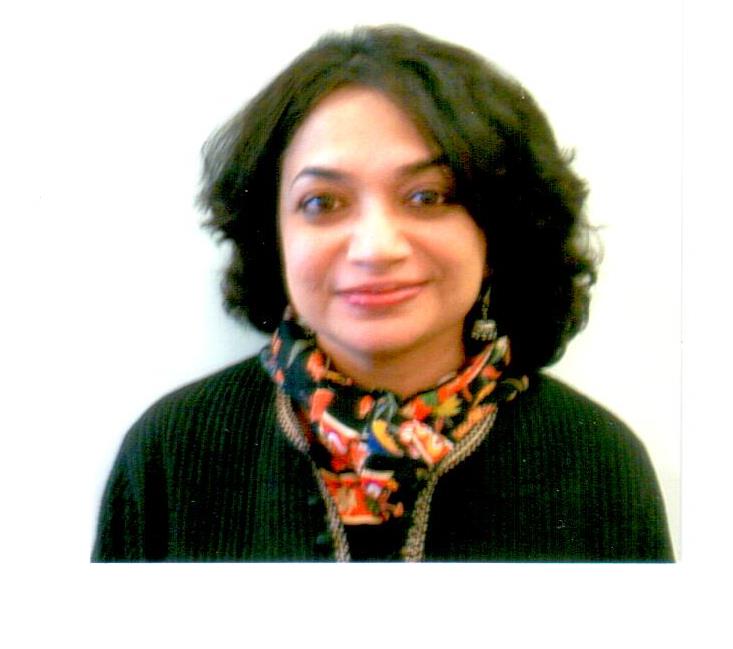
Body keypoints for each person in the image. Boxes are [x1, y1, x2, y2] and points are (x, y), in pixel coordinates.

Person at [92, 25, 673, 562]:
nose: (375, 248)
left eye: (428, 197)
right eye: (322, 203)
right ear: (273, 235)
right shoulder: (172, 451)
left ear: (497, 228)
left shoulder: (598, 460)